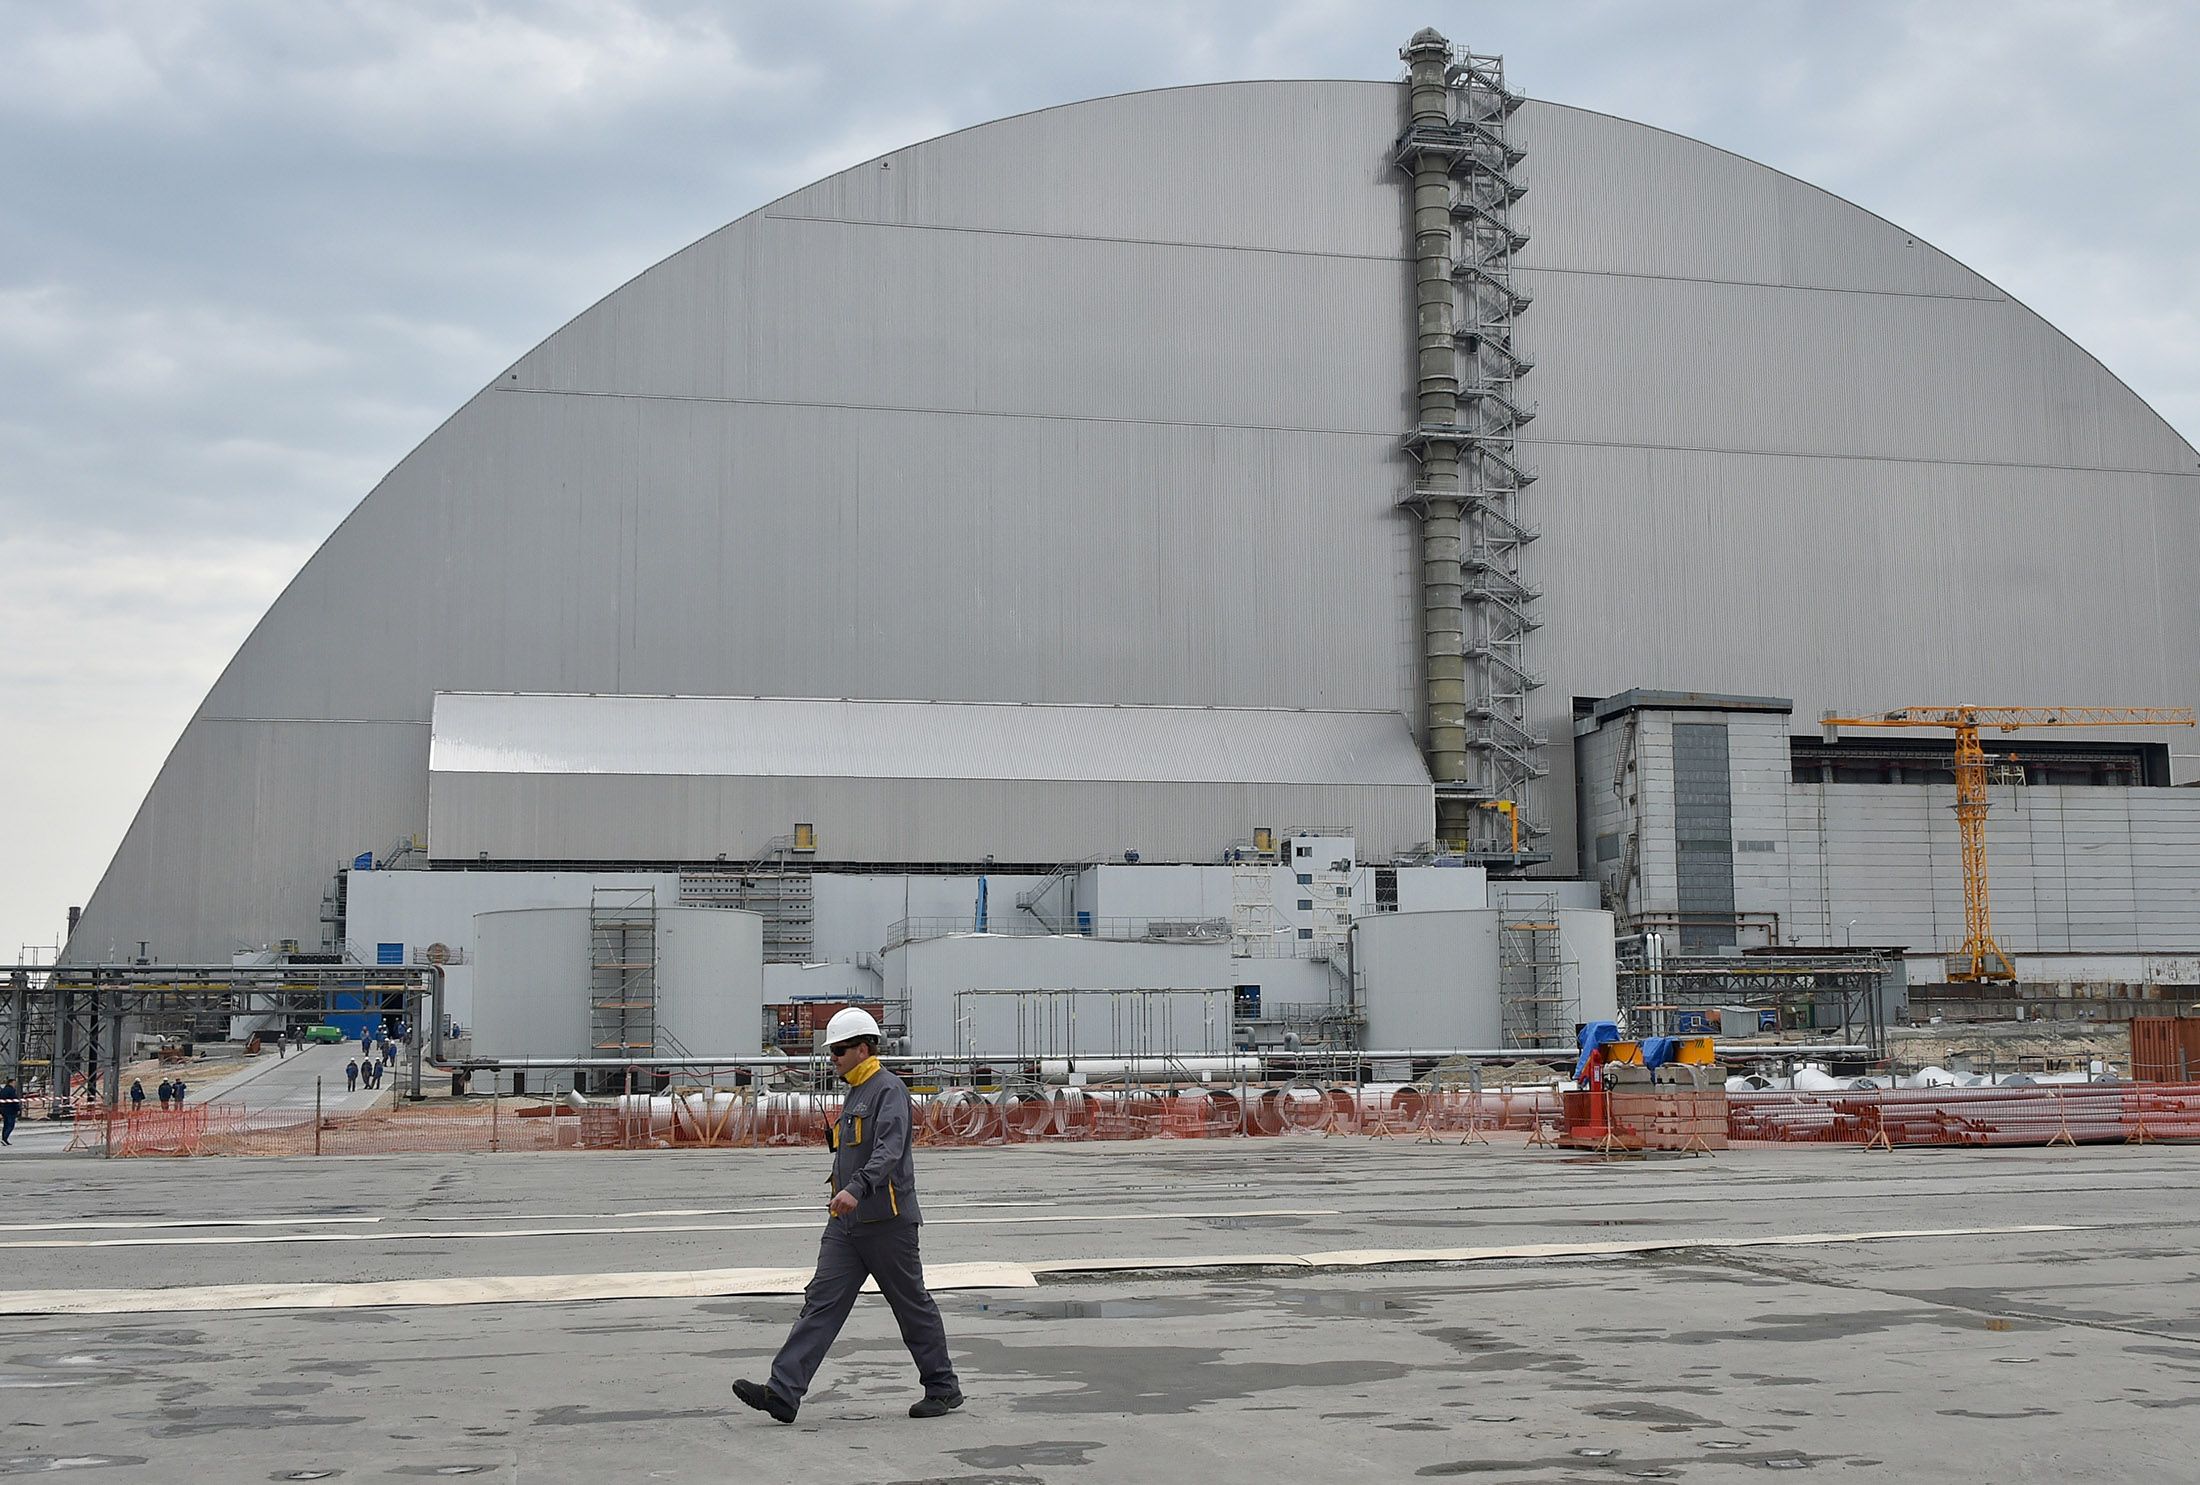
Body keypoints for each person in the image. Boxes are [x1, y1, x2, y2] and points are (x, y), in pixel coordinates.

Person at [733, 1007, 961, 1424]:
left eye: (839, 1050)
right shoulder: (855, 1091)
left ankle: (943, 1387)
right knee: (820, 1303)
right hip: (847, 1225)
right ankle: (783, 1392)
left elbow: (889, 1151)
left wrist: (856, 1188)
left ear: (863, 1048)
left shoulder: (888, 1090)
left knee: (911, 1305)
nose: (833, 1057)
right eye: (831, 1051)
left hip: (888, 1223)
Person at [0, 1079, 20, 1145]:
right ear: (10, 1083)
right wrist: (18, 1109)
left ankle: (4, 1138)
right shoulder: (11, 1091)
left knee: (6, 1125)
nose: (15, 1085)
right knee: (10, 1125)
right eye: (14, 1083)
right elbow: (15, 1101)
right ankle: (5, 1138)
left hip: (3, 1110)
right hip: (11, 1110)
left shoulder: (3, 1090)